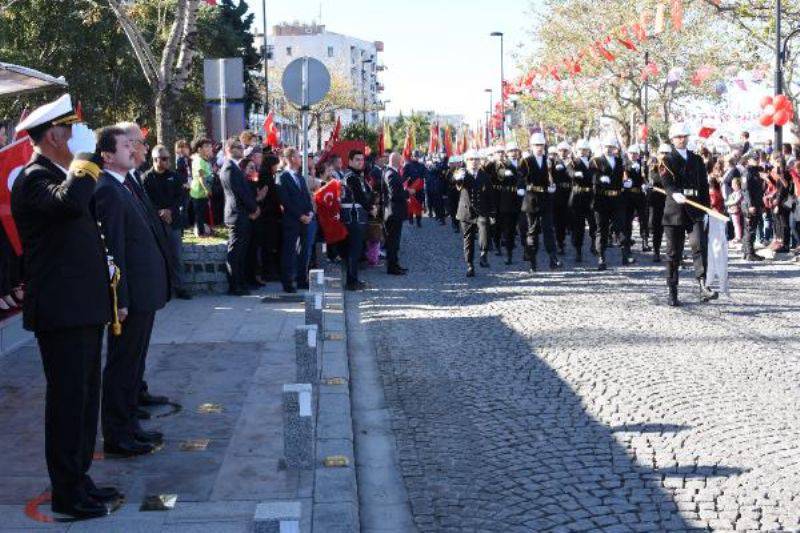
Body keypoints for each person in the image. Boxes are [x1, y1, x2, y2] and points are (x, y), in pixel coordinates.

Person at [11, 95, 121, 519]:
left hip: (83, 308)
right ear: (55, 135)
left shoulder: (58, 174)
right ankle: (66, 494)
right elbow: (70, 203)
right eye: (71, 128)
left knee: (84, 400)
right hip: (61, 312)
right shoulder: (33, 178)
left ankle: (79, 481)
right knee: (67, 405)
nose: (79, 135)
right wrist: (84, 160)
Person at [94, 126, 170, 457]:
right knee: (122, 365)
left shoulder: (124, 185)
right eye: (126, 145)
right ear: (107, 155)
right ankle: (117, 433)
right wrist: (120, 299)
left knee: (133, 362)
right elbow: (114, 249)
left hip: (145, 292)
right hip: (132, 295)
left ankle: (129, 427)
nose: (133, 148)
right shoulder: (108, 189)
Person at [115, 122, 174, 413]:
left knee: (137, 350)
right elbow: (116, 247)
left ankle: (136, 392)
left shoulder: (133, 180)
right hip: (133, 287)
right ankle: (124, 413)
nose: (142, 148)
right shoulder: (111, 186)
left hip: (145, 284)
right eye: (135, 143)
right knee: (125, 355)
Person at [659, 123, 718, 306]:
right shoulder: (666, 160)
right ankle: (672, 290)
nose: (682, 139)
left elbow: (703, 186)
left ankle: (703, 286)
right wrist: (673, 192)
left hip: (695, 210)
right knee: (673, 253)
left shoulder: (697, 159)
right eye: (678, 136)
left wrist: (707, 209)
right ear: (672, 139)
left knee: (699, 247)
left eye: (684, 136)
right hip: (675, 211)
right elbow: (666, 181)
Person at [143, 145, 192, 300]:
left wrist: (170, 210)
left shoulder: (175, 176)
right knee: (158, 257)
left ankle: (180, 287)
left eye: (168, 158)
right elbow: (146, 200)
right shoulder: (146, 178)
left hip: (173, 222)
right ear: (155, 159)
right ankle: (163, 289)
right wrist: (160, 212)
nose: (167, 161)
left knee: (176, 256)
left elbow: (182, 197)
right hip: (155, 224)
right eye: (163, 159)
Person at [219, 137, 260, 295]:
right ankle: (235, 285)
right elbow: (240, 193)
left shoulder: (235, 167)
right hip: (237, 215)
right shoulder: (229, 168)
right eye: (237, 147)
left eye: (241, 146)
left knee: (242, 252)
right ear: (229, 150)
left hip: (242, 214)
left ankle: (241, 283)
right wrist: (254, 208)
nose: (241, 149)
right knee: (235, 252)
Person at [520, 133, 561, 272]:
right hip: (531, 199)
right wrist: (522, 187)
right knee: (532, 231)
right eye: (536, 145)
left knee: (549, 229)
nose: (539, 148)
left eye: (541, 145)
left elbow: (554, 176)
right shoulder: (526, 161)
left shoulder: (549, 161)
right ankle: (532, 262)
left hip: (545, 198)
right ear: (531, 146)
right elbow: (521, 177)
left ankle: (553, 258)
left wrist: (554, 186)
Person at [276, 148, 314, 293]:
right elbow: (285, 201)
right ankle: (287, 282)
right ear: (291, 158)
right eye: (298, 156)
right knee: (289, 251)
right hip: (292, 220)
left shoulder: (300, 177)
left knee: (304, 250)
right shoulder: (282, 177)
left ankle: (301, 279)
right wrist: (300, 215)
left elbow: (306, 197)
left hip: (305, 220)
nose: (301, 159)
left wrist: (310, 212)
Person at [590, 138, 630, 270]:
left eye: (611, 147)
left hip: (617, 199)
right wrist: (599, 179)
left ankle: (625, 255)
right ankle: (601, 258)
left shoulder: (619, 161)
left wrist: (625, 183)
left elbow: (623, 177)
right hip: (602, 199)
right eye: (606, 146)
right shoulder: (596, 161)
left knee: (621, 226)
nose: (608, 149)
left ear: (615, 148)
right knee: (601, 229)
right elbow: (591, 175)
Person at [455, 150, 494, 276]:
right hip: (466, 211)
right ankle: (470, 265)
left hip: (481, 210)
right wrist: (458, 177)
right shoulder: (462, 173)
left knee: (484, 227)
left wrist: (492, 213)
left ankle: (483, 253)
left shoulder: (485, 176)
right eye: (471, 159)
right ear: (466, 161)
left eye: (476, 159)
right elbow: (456, 183)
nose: (474, 162)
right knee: (468, 239)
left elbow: (490, 195)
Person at [340, 149, 374, 290]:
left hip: (357, 217)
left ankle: (353, 279)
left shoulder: (357, 175)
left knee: (356, 250)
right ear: (350, 161)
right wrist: (370, 208)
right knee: (354, 250)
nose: (361, 162)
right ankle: (351, 282)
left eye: (362, 160)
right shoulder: (351, 177)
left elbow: (367, 193)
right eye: (357, 160)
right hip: (353, 218)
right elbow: (360, 196)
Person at [567, 140, 596, 262]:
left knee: (594, 223)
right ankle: (578, 251)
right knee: (578, 226)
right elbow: (569, 171)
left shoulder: (593, 163)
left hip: (591, 195)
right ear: (577, 151)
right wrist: (575, 174)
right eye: (581, 150)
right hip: (578, 196)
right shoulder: (574, 163)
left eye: (585, 150)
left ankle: (594, 243)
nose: (583, 152)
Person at [384, 152, 409, 275]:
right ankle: (392, 267)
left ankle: (395, 264)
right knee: (393, 241)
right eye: (401, 160)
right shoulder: (391, 174)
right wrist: (407, 192)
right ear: (395, 160)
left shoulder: (393, 173)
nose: (402, 162)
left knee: (395, 241)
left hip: (396, 212)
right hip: (393, 213)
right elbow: (394, 194)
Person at [623, 144, 650, 252]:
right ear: (628, 154)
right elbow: (624, 176)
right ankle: (627, 242)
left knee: (643, 219)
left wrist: (645, 184)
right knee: (628, 219)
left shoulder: (642, 164)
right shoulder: (624, 164)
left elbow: (646, 177)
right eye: (631, 153)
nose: (633, 155)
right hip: (628, 195)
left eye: (635, 153)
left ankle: (645, 241)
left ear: (638, 155)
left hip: (640, 195)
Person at [741, 154, 766, 262]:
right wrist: (750, 205)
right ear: (749, 160)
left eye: (757, 158)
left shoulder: (755, 172)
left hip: (756, 203)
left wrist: (761, 204)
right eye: (754, 159)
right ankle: (749, 253)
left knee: (751, 229)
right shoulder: (747, 172)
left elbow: (758, 190)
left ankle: (748, 252)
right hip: (749, 205)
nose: (757, 160)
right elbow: (746, 190)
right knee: (750, 229)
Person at [190, 138, 214, 236]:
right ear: (199, 149)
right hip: (198, 192)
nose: (210, 148)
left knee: (203, 213)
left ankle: (205, 229)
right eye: (206, 146)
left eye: (210, 146)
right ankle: (200, 232)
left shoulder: (205, 160)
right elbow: (201, 177)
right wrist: (206, 189)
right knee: (199, 214)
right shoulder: (199, 160)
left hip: (203, 192)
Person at [552, 141, 573, 255]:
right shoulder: (553, 162)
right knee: (559, 221)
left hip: (570, 193)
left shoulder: (573, 162)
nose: (563, 152)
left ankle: (575, 243)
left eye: (565, 150)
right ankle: (560, 243)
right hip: (558, 194)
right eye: (561, 150)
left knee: (571, 219)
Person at [725, 176, 744, 244]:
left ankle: (738, 237)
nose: (732, 186)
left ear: (737, 185)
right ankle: (737, 236)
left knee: (737, 224)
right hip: (733, 210)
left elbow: (736, 201)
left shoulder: (739, 192)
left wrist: (727, 203)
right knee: (735, 224)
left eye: (733, 184)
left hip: (736, 211)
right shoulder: (735, 192)